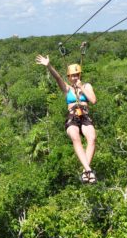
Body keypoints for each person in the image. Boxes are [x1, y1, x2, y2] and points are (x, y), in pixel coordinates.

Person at [35, 54, 98, 184]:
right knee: (75, 137)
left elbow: (93, 100)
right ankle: (88, 170)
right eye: (72, 76)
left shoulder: (87, 86)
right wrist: (49, 66)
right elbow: (57, 77)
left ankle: (85, 171)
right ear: (69, 78)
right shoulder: (67, 88)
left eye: (77, 75)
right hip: (72, 116)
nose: (75, 78)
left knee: (92, 138)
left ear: (80, 76)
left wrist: (81, 87)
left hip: (85, 115)